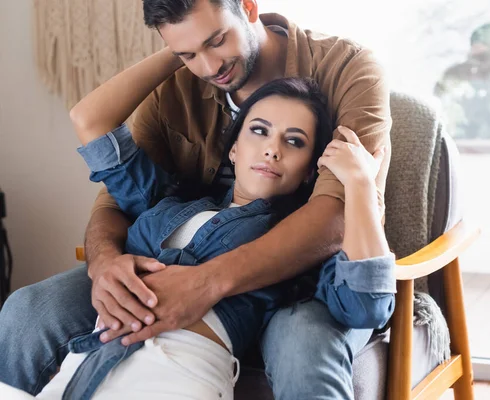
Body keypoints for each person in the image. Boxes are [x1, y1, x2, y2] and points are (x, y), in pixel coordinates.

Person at [0, 1, 391, 398]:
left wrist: (206, 283)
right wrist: (103, 263)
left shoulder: (349, 67)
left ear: (248, 7)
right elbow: (114, 187)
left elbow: (336, 213)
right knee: (26, 311)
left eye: (216, 40)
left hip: (292, 275)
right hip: (162, 269)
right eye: (186, 54)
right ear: (233, 148)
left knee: (304, 349)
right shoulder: (177, 91)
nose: (207, 67)